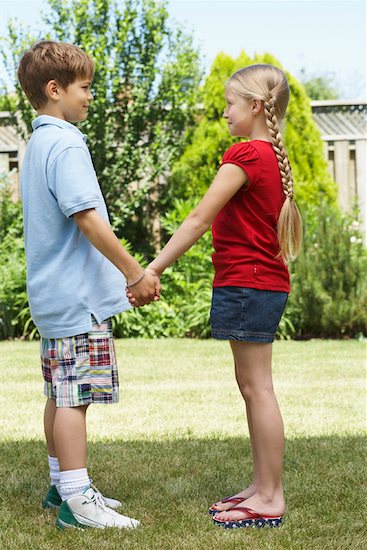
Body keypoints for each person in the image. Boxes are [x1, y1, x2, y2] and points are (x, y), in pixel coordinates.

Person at [128, 64, 302, 529]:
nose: (224, 112)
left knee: (257, 389)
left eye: (229, 103)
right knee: (253, 389)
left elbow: (197, 220)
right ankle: (262, 485)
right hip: (259, 283)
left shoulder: (245, 154)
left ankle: (270, 496)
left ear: (255, 106)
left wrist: (153, 268)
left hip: (248, 284)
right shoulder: (268, 157)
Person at [18, 40, 159, 530]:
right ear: (55, 90)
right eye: (85, 87)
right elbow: (86, 218)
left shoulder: (35, 143)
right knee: (75, 395)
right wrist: (134, 272)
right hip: (77, 297)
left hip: (50, 295)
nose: (91, 96)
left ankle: (61, 485)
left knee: (59, 393)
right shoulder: (67, 142)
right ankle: (79, 502)